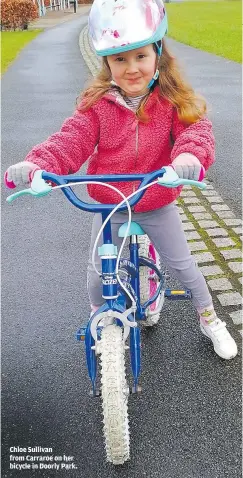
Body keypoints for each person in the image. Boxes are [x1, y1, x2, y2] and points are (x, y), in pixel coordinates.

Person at [4, 0, 237, 360]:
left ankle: (208, 316)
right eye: (120, 59)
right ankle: (100, 316)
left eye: (141, 56)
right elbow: (71, 140)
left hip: (155, 200)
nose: (132, 69)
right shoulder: (97, 104)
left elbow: (196, 130)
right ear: (107, 63)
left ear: (158, 54)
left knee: (185, 266)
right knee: (98, 274)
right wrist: (39, 164)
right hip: (110, 204)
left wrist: (189, 156)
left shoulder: (173, 101)